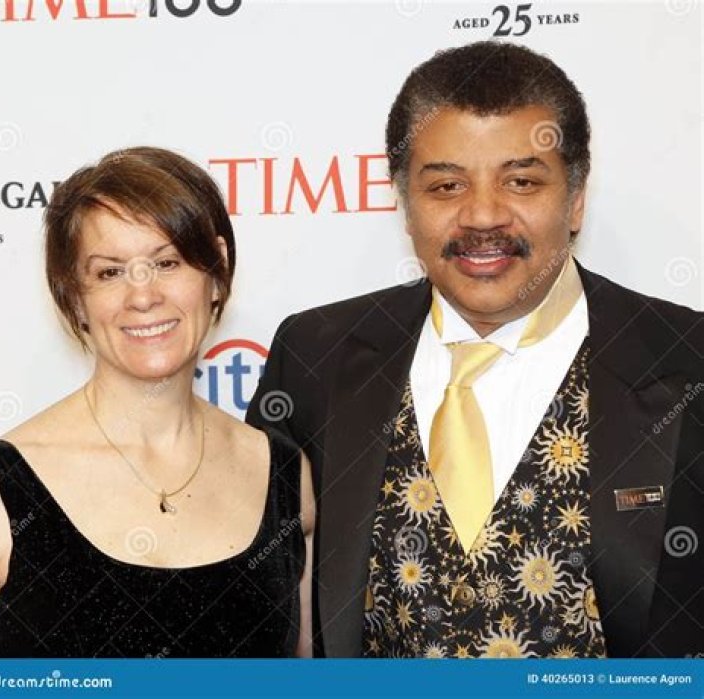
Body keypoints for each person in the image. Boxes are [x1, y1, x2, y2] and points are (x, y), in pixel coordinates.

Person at [247, 41, 704, 658]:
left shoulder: (687, 359)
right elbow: (262, 609)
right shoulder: (314, 357)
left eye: (521, 181)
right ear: (404, 204)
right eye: (446, 186)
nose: (483, 216)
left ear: (575, 199)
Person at [0, 147, 314, 658]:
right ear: (73, 295)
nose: (143, 296)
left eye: (167, 262)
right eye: (109, 272)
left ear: (217, 270)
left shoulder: (286, 477)